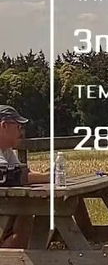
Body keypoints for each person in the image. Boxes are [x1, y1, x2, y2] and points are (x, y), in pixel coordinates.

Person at [0, 105, 50, 249]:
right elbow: (10, 177)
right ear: (4, 125)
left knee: (28, 213)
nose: (21, 132)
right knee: (27, 213)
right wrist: (47, 177)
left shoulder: (6, 149)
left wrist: (44, 175)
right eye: (18, 127)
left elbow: (21, 171)